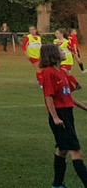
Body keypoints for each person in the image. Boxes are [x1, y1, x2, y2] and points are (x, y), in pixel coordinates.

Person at [37, 42, 87, 187]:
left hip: (67, 114)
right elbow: (48, 96)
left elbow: (68, 96)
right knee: (76, 152)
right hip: (60, 116)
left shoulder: (62, 72)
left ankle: (57, 184)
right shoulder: (48, 73)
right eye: (60, 50)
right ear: (53, 55)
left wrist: (85, 108)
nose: (64, 52)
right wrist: (55, 117)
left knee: (62, 150)